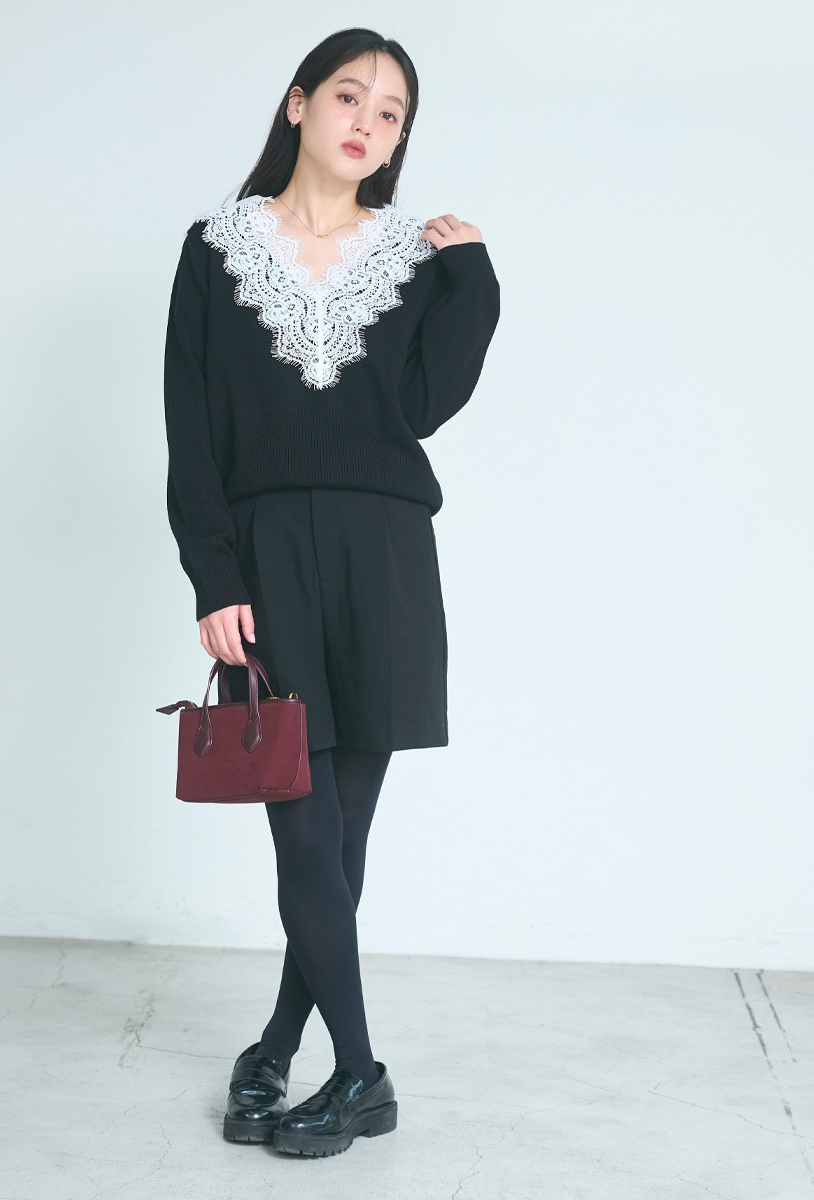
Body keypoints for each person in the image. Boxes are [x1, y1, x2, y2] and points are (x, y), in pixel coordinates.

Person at [162, 26, 500, 1156]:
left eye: (392, 113)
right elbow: (191, 427)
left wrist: (473, 281)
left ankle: (274, 1049)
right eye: (350, 96)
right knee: (302, 832)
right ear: (299, 104)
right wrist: (213, 572)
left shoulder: (411, 256)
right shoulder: (217, 248)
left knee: (338, 844)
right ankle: (361, 1073)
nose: (369, 122)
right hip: (269, 559)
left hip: (386, 553)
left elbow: (424, 406)